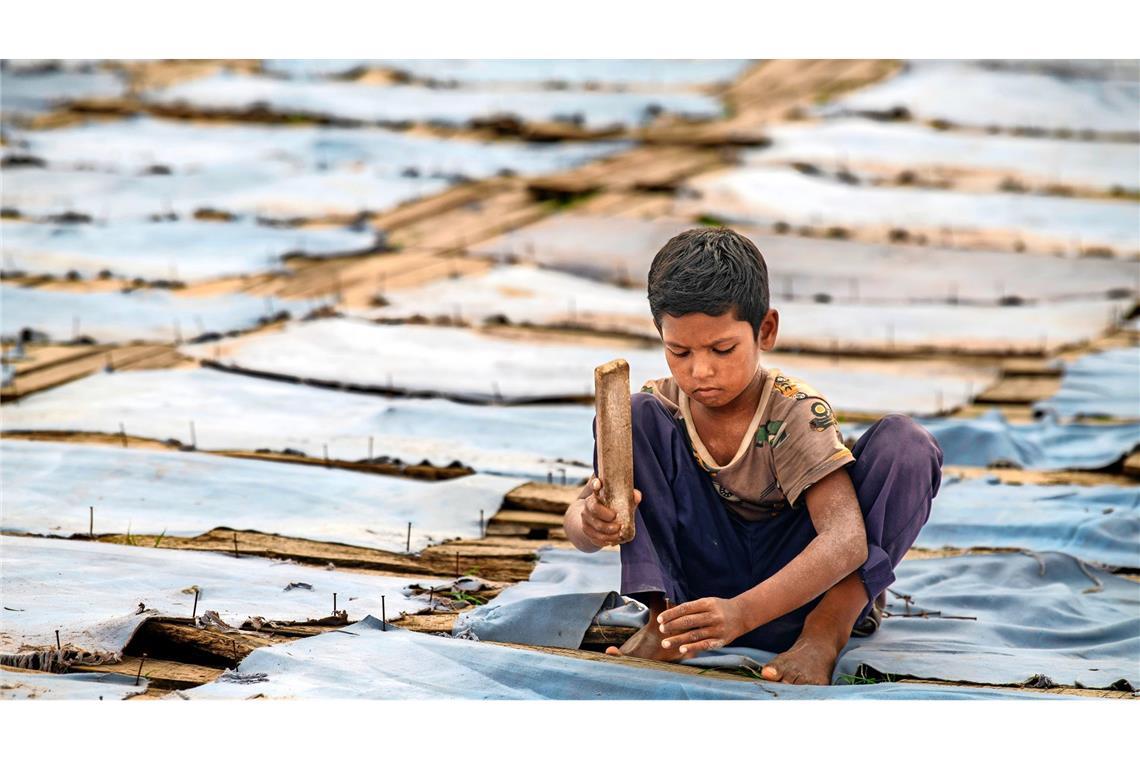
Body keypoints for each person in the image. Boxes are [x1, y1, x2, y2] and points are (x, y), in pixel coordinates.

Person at [562, 227, 943, 685]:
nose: (700, 371)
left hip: (806, 593)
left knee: (908, 446)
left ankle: (825, 635)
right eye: (679, 351)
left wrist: (743, 614)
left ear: (765, 330)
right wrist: (588, 521)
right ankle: (665, 627)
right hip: (700, 605)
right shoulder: (660, 408)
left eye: (723, 349)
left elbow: (845, 540)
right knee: (632, 415)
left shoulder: (796, 412)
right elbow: (581, 524)